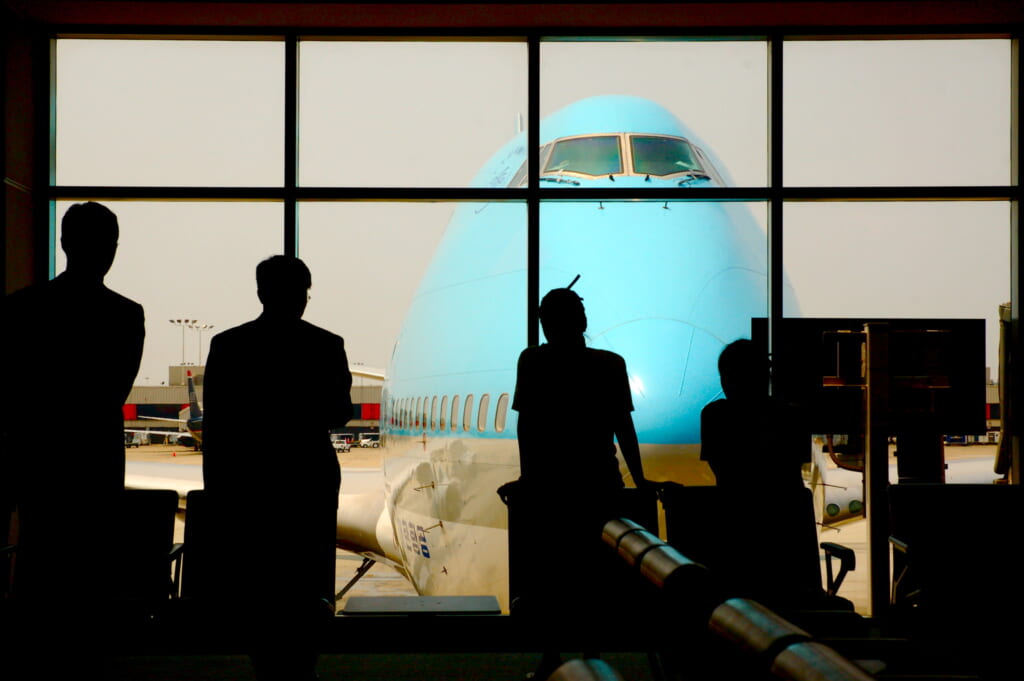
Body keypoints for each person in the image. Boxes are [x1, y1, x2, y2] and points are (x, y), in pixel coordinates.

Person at [201, 255, 352, 680]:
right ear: (304, 295)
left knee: (258, 584)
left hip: (249, 481)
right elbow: (339, 413)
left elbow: (217, 424)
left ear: (260, 293)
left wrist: (215, 490)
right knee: (308, 581)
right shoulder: (327, 344)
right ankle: (304, 665)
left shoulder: (229, 345)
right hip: (308, 477)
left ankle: (265, 665)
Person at [2, 201, 145, 602]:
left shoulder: (20, 307)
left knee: (40, 568)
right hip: (93, 461)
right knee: (91, 577)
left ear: (63, 242)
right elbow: (113, 392)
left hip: (38, 458)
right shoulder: (126, 314)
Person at [508, 285, 653, 677]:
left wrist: (527, 477)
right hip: (599, 484)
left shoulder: (532, 361)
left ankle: (552, 655)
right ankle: (593, 654)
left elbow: (528, 426)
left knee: (552, 577)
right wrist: (639, 478)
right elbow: (624, 427)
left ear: (544, 325)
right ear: (583, 322)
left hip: (550, 487)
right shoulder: (610, 364)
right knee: (593, 577)